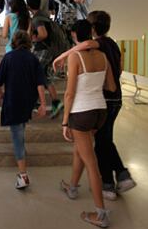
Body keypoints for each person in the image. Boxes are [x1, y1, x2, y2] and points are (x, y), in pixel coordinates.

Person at [54, 11, 136, 200]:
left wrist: (62, 56)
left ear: (92, 29)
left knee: (101, 144)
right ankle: (116, 176)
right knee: (103, 141)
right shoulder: (112, 45)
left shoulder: (98, 45)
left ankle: (108, 185)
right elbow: (120, 69)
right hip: (114, 98)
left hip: (99, 101)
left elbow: (86, 45)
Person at [59, 20, 116, 228]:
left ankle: (101, 214)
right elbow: (110, 85)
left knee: (91, 162)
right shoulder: (103, 56)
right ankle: (72, 187)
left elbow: (69, 93)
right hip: (99, 111)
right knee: (81, 151)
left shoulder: (75, 57)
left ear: (74, 35)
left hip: (81, 113)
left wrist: (65, 121)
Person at [0, 31, 47, 188]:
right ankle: (22, 159)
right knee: (20, 131)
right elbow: (40, 83)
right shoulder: (33, 58)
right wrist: (43, 104)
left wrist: (1, 93)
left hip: (13, 101)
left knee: (17, 136)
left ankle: (23, 175)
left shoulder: (8, 57)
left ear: (14, 42)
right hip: (27, 102)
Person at [26, 0, 63, 118]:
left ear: (29, 6)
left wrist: (35, 39)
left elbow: (43, 34)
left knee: (33, 73)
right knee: (46, 77)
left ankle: (36, 102)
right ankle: (56, 104)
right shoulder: (44, 15)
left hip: (43, 50)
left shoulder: (37, 19)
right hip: (51, 50)